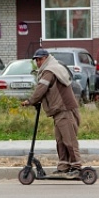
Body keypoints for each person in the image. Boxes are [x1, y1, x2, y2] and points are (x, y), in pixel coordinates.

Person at [21, 48, 82, 177]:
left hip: (64, 109)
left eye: (40, 59)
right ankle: (64, 166)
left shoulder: (50, 70)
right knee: (60, 140)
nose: (38, 62)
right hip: (59, 110)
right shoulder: (52, 67)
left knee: (69, 140)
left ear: (46, 58)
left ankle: (76, 166)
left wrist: (30, 101)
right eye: (36, 60)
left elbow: (41, 89)